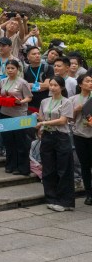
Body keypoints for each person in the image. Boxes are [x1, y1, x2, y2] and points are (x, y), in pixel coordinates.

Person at [36, 75, 76, 212]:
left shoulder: (66, 102)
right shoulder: (44, 101)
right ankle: (51, 199)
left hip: (61, 136)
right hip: (47, 136)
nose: (52, 88)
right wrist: (38, 120)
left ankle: (65, 201)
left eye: (55, 85)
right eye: (51, 85)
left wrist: (44, 122)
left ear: (62, 87)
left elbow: (63, 120)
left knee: (64, 169)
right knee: (48, 168)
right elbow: (41, 117)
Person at [0, 59, 34, 176]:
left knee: (21, 142)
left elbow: (29, 97)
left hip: (19, 115)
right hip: (5, 113)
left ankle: (23, 168)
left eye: (12, 68)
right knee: (8, 141)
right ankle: (10, 165)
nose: (10, 70)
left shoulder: (22, 82)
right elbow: (0, 95)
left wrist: (21, 101)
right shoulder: (2, 81)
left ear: (17, 69)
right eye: (8, 68)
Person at [70, 73, 92, 206]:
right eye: (87, 81)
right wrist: (76, 110)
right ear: (80, 84)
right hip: (79, 135)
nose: (90, 83)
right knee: (85, 165)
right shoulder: (73, 99)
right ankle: (89, 194)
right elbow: (70, 119)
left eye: (91, 81)